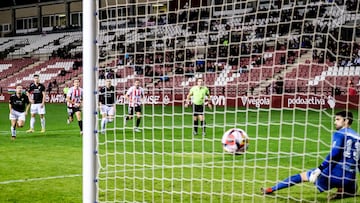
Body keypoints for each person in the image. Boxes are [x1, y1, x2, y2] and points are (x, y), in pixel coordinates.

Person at [261, 111, 360, 200]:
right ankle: (343, 192)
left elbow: (334, 153)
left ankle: (270, 189)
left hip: (333, 175)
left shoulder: (340, 133)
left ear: (346, 121)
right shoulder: (358, 137)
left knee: (301, 176)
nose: (335, 122)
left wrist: (319, 169)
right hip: (349, 178)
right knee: (354, 187)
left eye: (338, 119)